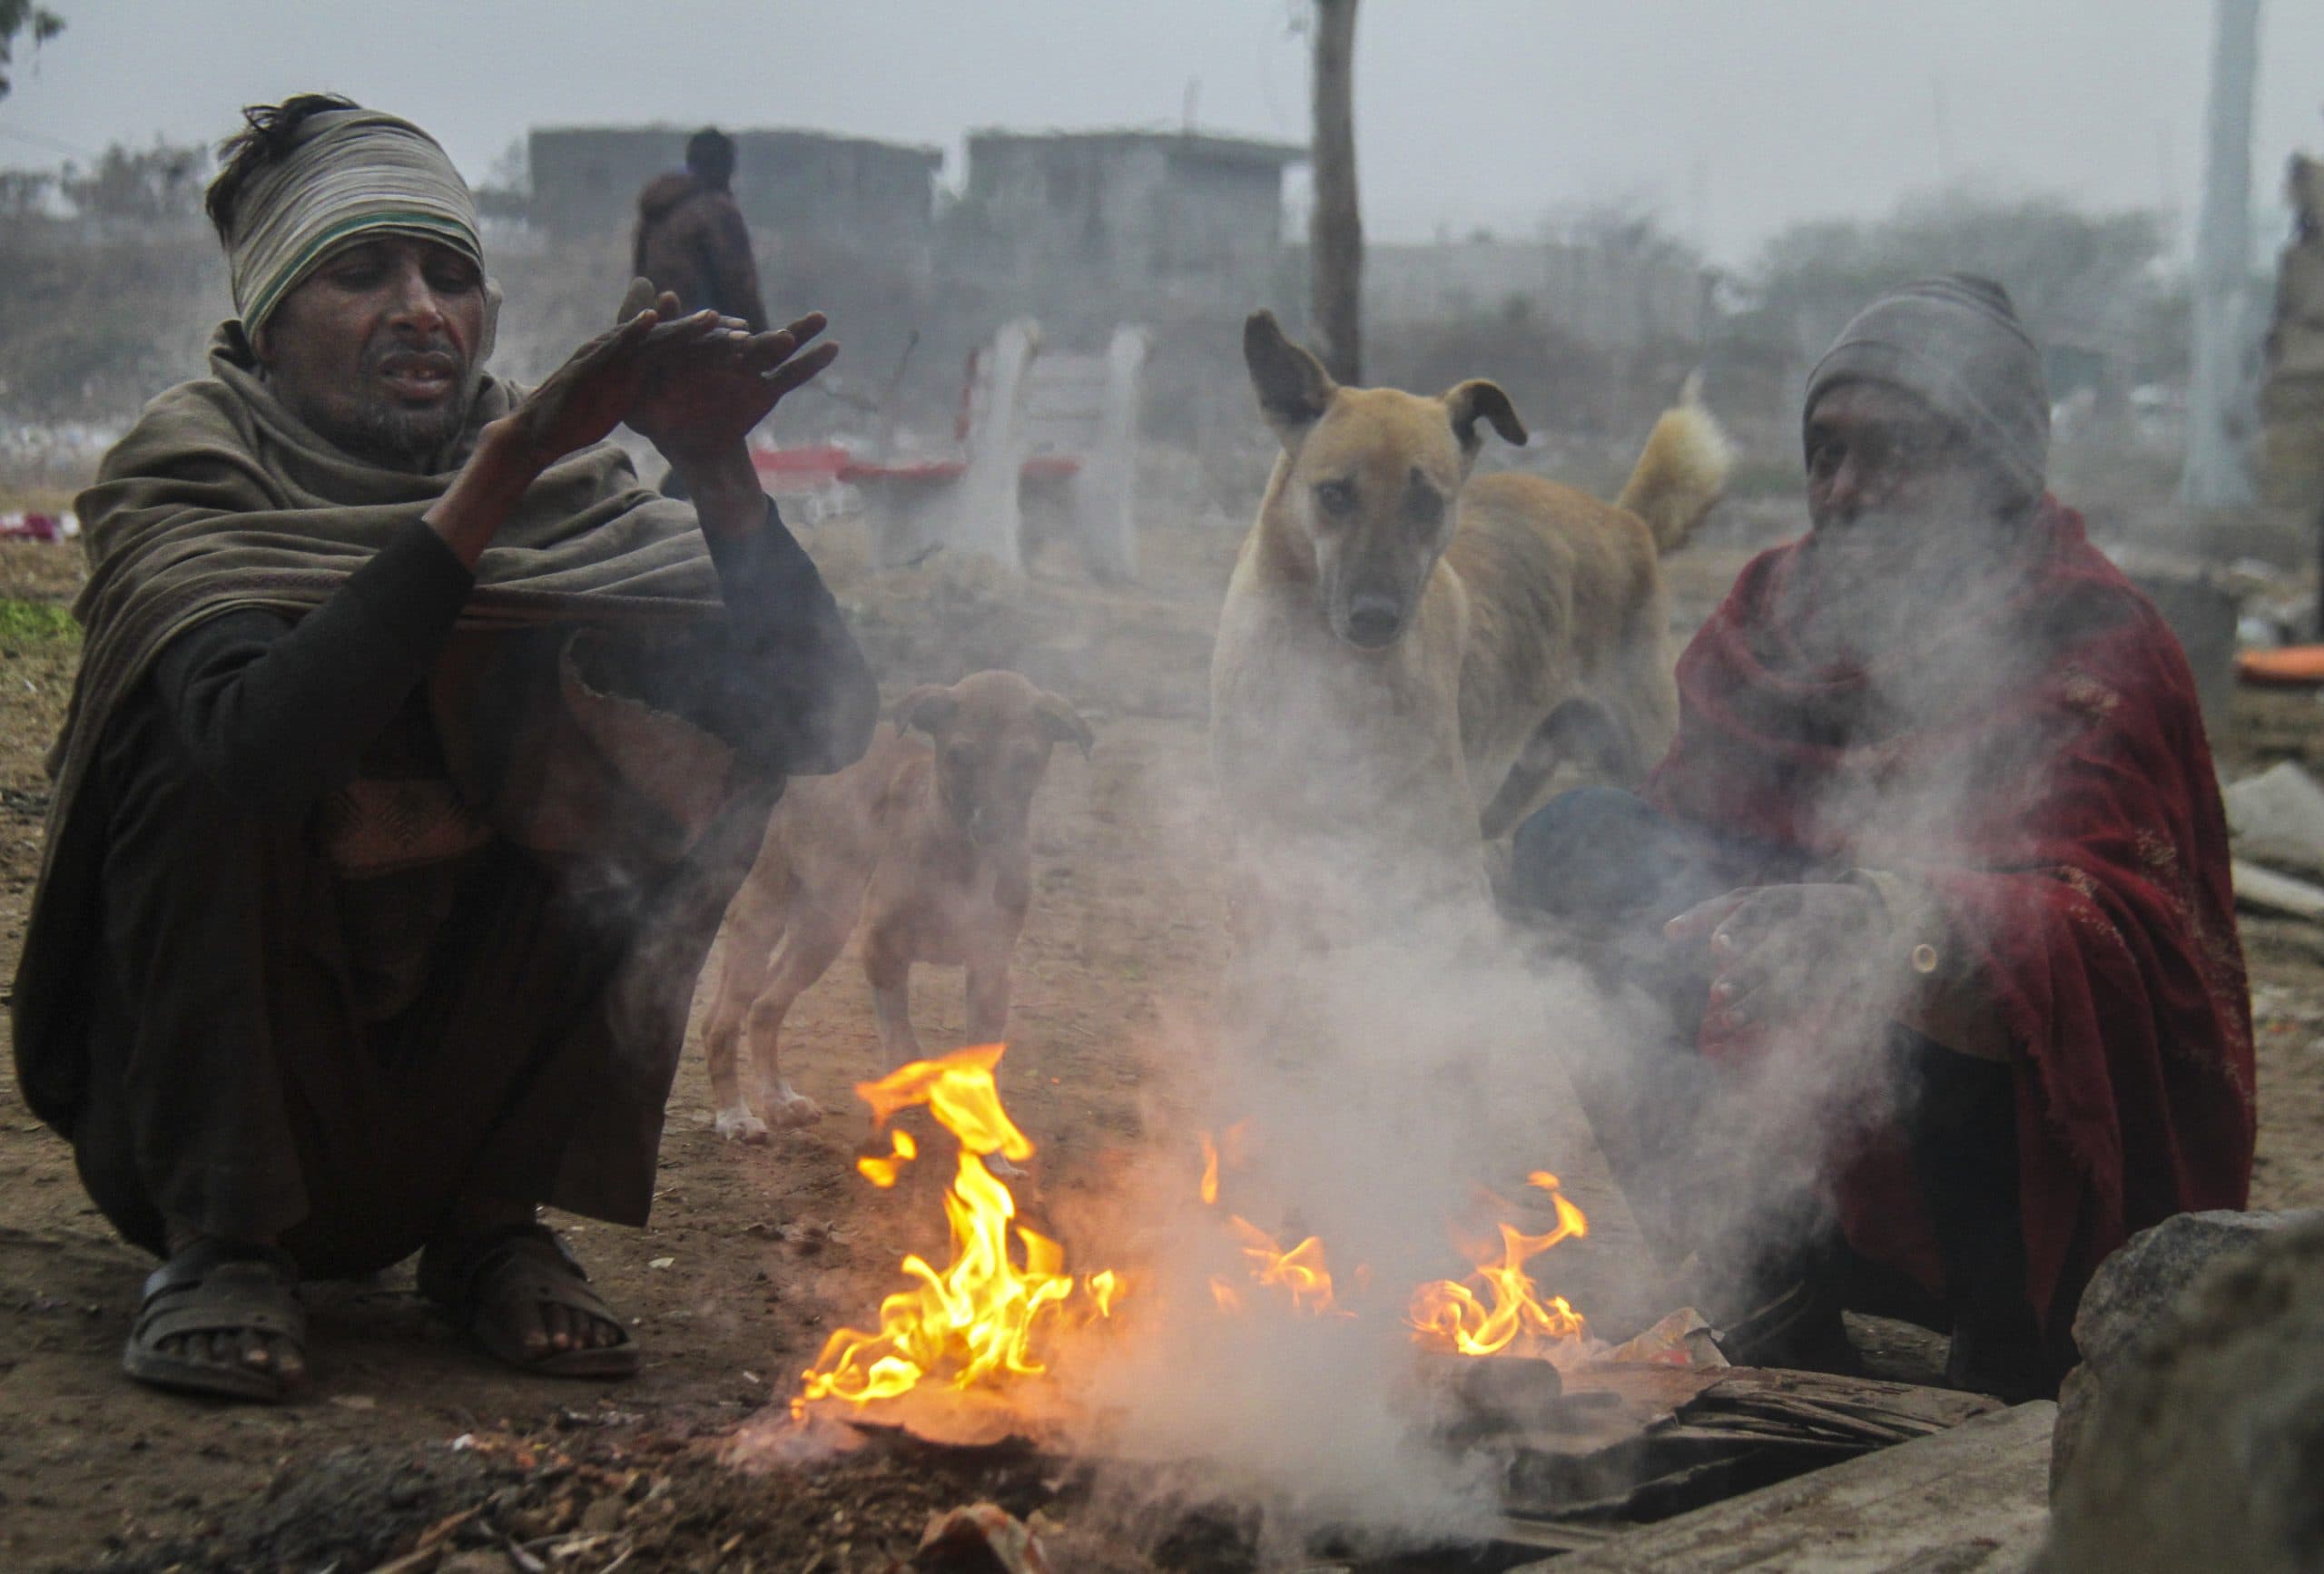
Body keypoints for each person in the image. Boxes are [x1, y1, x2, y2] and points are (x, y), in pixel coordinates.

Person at [8, 94, 880, 1403]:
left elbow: (815, 723)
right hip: (199, 1129)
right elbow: (258, 748)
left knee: (693, 747)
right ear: (264, 318)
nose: (422, 308)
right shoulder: (190, 469)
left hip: (435, 1123)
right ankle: (225, 1242)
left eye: (452, 275)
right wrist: (495, 471)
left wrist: (718, 474)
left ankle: (491, 1222)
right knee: (191, 745)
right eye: (363, 271)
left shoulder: (565, 498)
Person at [1508, 277, 2255, 1401]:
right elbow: (1684, 840)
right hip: (1790, 1126)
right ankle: (1773, 1294)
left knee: (1951, 944)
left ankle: (2007, 1346)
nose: (1844, 490)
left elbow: (2119, 936)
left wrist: (1886, 920)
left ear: (1992, 464)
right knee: (1581, 844)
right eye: (1825, 452)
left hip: (2010, 1176)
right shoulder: (1770, 616)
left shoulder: (2092, 638)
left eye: (1891, 452)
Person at [632, 127, 769, 333]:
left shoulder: (656, 212)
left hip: (659, 339)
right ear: (725, 166)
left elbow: (640, 282)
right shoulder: (717, 210)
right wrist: (762, 347)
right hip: (707, 338)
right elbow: (740, 287)